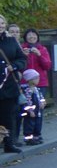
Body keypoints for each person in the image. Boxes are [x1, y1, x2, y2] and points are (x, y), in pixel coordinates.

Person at [0, 14, 24, 154]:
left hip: (8, 86)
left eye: (2, 23)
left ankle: (9, 144)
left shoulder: (11, 41)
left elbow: (22, 59)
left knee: (8, 116)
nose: (1, 26)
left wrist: (14, 66)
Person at [18, 69, 46, 145]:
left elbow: (41, 97)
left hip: (38, 111)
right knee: (29, 125)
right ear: (30, 80)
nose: (38, 80)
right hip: (31, 112)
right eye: (36, 78)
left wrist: (43, 102)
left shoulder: (37, 89)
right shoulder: (28, 91)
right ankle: (28, 138)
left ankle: (36, 136)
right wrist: (29, 110)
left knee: (38, 124)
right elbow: (26, 102)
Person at [20, 29, 51, 96]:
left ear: (37, 37)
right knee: (26, 105)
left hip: (40, 83)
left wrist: (39, 55)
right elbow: (19, 66)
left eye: (34, 35)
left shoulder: (43, 49)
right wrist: (24, 56)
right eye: (29, 35)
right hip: (25, 82)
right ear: (25, 37)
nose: (32, 37)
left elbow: (47, 66)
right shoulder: (21, 49)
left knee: (39, 104)